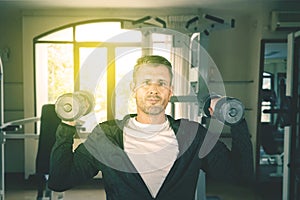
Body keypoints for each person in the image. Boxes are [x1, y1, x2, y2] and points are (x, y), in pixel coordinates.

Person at [48, 55, 254, 200]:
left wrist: (237, 123)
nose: (154, 89)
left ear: (170, 91)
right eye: (146, 82)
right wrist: (68, 124)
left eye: (162, 83)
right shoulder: (106, 137)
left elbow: (241, 176)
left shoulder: (193, 135)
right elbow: (59, 180)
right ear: (133, 89)